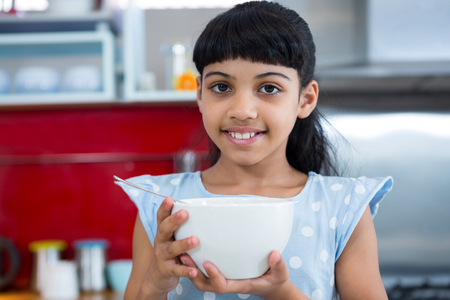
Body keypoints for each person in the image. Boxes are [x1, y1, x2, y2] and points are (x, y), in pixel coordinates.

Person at [117, 1, 393, 299]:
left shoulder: (344, 207)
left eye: (269, 88)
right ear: (199, 94)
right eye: (221, 87)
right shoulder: (162, 205)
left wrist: (281, 292)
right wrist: (155, 284)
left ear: (305, 99)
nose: (242, 111)